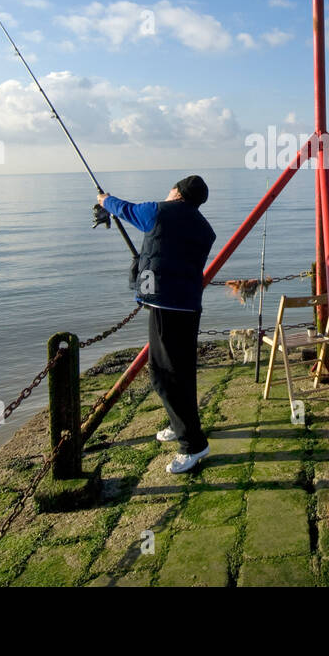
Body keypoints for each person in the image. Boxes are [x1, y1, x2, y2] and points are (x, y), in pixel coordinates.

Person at [98, 175, 216, 474]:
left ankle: (193, 445)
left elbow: (128, 210)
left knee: (163, 375)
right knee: (182, 372)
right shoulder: (205, 229)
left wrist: (105, 200)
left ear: (177, 192)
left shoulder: (161, 211)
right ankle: (181, 427)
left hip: (166, 307)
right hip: (189, 306)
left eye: (171, 189)